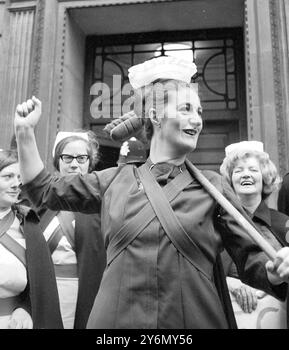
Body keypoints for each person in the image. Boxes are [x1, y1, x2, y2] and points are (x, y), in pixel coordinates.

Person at [14, 56, 289, 329]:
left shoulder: (214, 187)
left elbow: (253, 256)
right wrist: (25, 132)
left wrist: (274, 272)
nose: (197, 119)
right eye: (186, 109)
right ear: (155, 116)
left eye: (200, 112)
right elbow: (43, 189)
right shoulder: (113, 181)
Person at [26, 130, 106, 329]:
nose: (74, 163)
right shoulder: (36, 203)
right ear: (57, 160)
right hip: (42, 291)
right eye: (67, 157)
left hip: (86, 293)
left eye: (81, 158)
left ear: (90, 162)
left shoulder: (104, 203)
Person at [220, 140, 289, 329]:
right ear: (229, 180)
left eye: (253, 169)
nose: (246, 175)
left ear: (264, 177)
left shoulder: (283, 223)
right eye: (238, 170)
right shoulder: (216, 225)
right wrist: (230, 284)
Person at [0, 149, 63, 329]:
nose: (16, 184)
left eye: (18, 177)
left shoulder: (29, 225)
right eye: (8, 177)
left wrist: (26, 308)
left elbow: (41, 284)